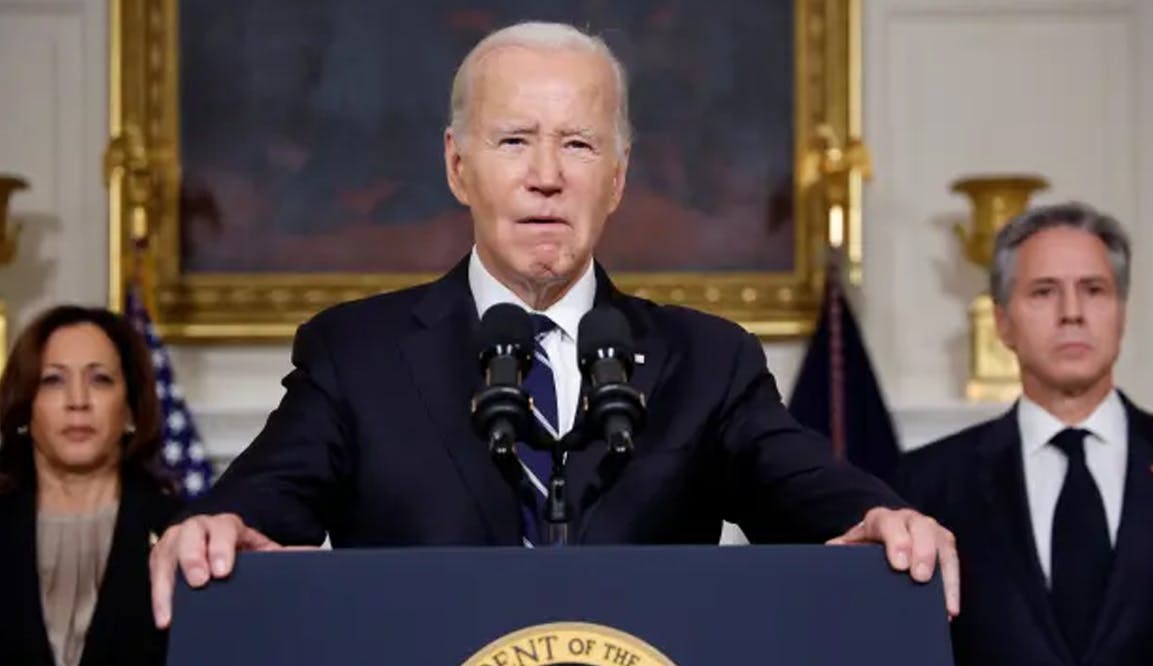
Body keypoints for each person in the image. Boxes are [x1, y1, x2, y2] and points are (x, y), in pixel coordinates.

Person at [149, 21, 959, 628]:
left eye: (577, 143)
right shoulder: (357, 354)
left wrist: (880, 517)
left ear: (617, 177)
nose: (545, 177)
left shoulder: (708, 361)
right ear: (458, 166)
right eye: (513, 141)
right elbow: (259, 502)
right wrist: (217, 529)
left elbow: (815, 493)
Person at [891, 202, 1153, 666]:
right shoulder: (927, 484)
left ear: (1122, 312)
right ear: (1002, 323)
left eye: (1094, 290)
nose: (1072, 312)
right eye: (1043, 292)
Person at [0, 305, 182, 665]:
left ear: (130, 409)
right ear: (25, 408)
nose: (78, 401)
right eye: (53, 380)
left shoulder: (178, 532)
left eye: (100, 379)